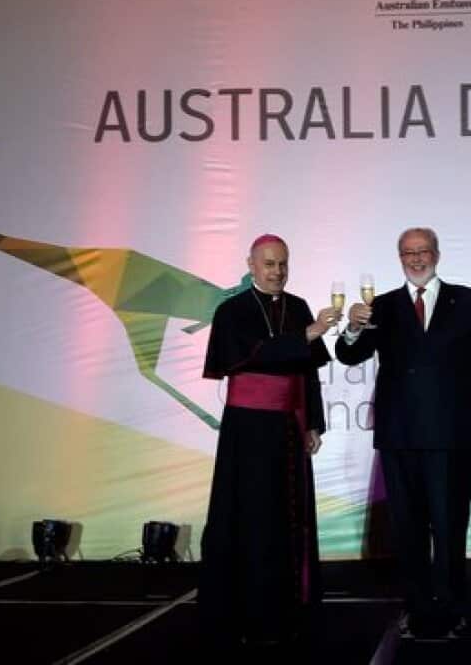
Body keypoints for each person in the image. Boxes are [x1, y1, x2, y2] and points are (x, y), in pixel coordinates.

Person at [337, 227, 471, 639]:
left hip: (451, 435)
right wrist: (353, 327)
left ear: (437, 254)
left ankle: (451, 606)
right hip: (400, 434)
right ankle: (416, 606)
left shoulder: (466, 299)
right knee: (407, 529)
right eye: (408, 253)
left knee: (449, 525)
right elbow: (349, 354)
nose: (416, 258)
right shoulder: (383, 305)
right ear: (399, 257)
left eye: (423, 251)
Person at [198, 234, 342, 646]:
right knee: (252, 518)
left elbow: (307, 372)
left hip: (289, 429)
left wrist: (313, 422)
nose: (277, 271)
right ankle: (249, 611)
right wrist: (309, 334)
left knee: (289, 518)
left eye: (283, 264)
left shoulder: (296, 307)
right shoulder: (231, 311)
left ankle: (290, 607)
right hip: (248, 432)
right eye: (269, 264)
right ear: (251, 264)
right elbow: (254, 355)